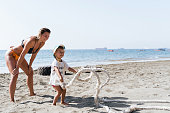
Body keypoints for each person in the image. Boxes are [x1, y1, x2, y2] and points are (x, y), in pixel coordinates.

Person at [5, 28, 51, 102]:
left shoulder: (42, 43)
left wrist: (30, 66)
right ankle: (12, 99)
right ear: (40, 34)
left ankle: (31, 93)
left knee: (30, 72)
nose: (47, 38)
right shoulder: (31, 41)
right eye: (45, 36)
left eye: (48, 36)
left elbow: (34, 55)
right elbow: (23, 55)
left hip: (19, 56)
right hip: (11, 54)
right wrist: (16, 68)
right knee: (15, 74)